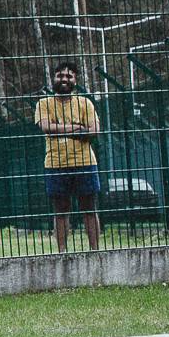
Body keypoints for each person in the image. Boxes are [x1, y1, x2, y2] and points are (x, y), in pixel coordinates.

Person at [35, 61, 102, 251]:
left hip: (85, 162)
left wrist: (61, 130)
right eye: (60, 76)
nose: (64, 79)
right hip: (55, 163)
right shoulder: (44, 103)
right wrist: (77, 128)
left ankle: (94, 251)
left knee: (89, 208)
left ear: (75, 80)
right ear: (54, 78)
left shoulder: (84, 103)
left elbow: (94, 131)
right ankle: (62, 252)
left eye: (69, 76)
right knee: (60, 210)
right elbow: (46, 127)